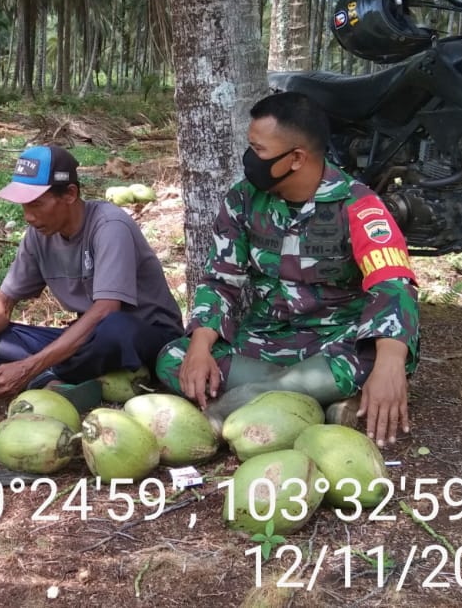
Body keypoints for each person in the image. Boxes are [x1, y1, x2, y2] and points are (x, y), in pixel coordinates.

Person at [154, 92, 420, 445]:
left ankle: (236, 407)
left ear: (296, 158)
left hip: (337, 343)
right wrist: (201, 346)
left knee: (377, 359)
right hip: (267, 338)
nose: (250, 159)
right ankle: (313, 402)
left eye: (259, 151)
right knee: (173, 358)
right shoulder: (243, 200)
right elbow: (221, 281)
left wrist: (390, 363)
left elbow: (392, 284)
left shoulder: (358, 205)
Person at [0, 145, 184, 405]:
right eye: (24, 206)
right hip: (87, 338)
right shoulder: (39, 235)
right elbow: (5, 300)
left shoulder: (109, 226)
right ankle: (60, 380)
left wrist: (29, 366)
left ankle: (45, 377)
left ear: (70, 194)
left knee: (114, 329)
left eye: (37, 204)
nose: (28, 216)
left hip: (143, 335)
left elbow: (106, 311)